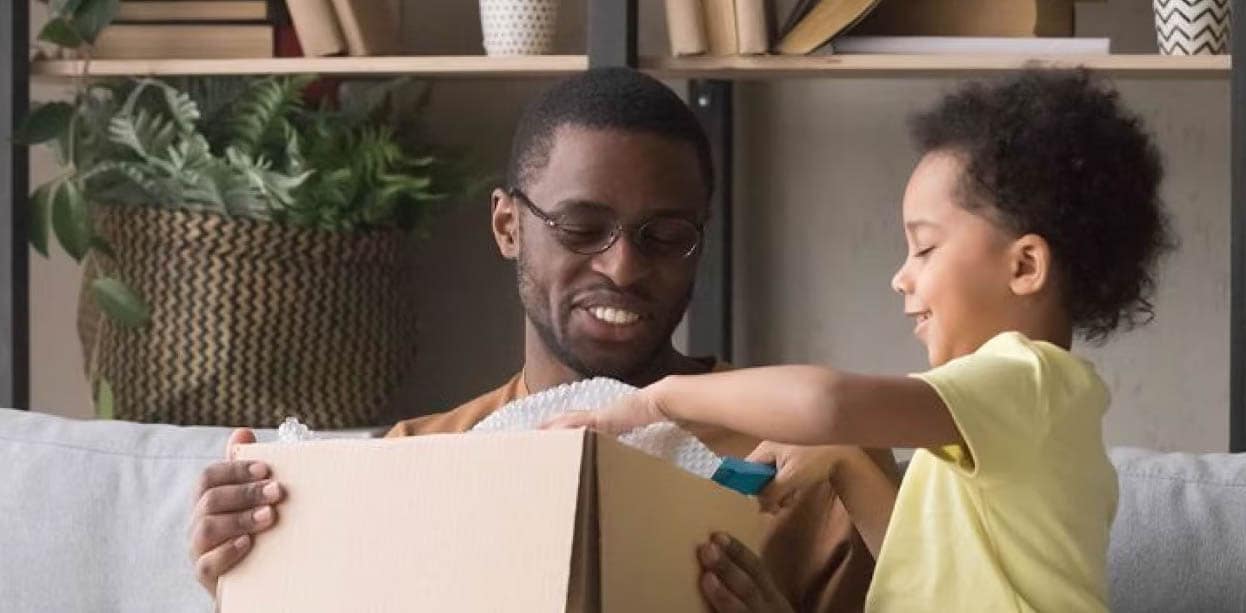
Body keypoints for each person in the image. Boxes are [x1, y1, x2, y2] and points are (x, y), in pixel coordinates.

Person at [186, 67, 893, 612]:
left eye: (666, 236)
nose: (623, 267)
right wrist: (252, 574)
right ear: (507, 226)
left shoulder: (814, 464)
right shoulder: (416, 458)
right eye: (581, 229)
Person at [548, 69, 1173, 612]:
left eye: (925, 247)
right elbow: (928, 574)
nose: (901, 276)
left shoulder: (1027, 379)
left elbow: (826, 404)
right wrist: (844, 463)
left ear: (1024, 267)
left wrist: (663, 399)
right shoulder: (999, 417)